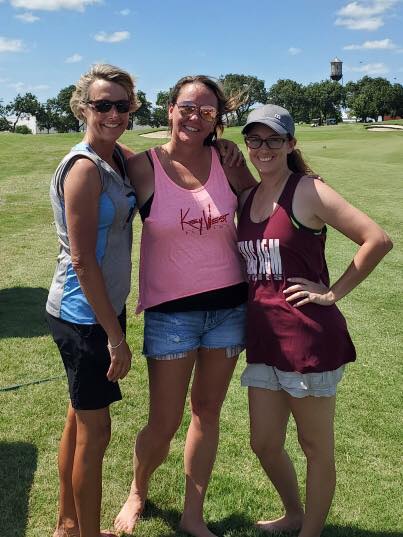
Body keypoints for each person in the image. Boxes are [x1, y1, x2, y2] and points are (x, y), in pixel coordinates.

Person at [237, 104, 393, 537]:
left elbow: (377, 239)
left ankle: (311, 532)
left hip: (307, 339)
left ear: (291, 143)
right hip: (264, 339)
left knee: (314, 446)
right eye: (255, 139)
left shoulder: (307, 190)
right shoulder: (247, 198)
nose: (263, 148)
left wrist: (331, 292)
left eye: (273, 139)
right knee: (263, 442)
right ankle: (294, 514)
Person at [114, 75, 256, 537]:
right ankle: (138, 490)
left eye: (207, 111)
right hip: (170, 314)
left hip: (229, 309)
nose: (196, 117)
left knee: (207, 413)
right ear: (171, 109)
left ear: (217, 120)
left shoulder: (227, 161)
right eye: (188, 108)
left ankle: (193, 516)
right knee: (164, 421)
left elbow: (262, 208)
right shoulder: (142, 167)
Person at [45, 64, 139, 537]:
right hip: (84, 315)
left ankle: (67, 523)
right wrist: (115, 337)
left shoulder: (116, 156)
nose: (114, 114)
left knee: (78, 417)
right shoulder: (84, 168)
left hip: (99, 309)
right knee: (96, 432)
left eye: (123, 105)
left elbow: (164, 160)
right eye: (103, 105)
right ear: (83, 109)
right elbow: (83, 261)